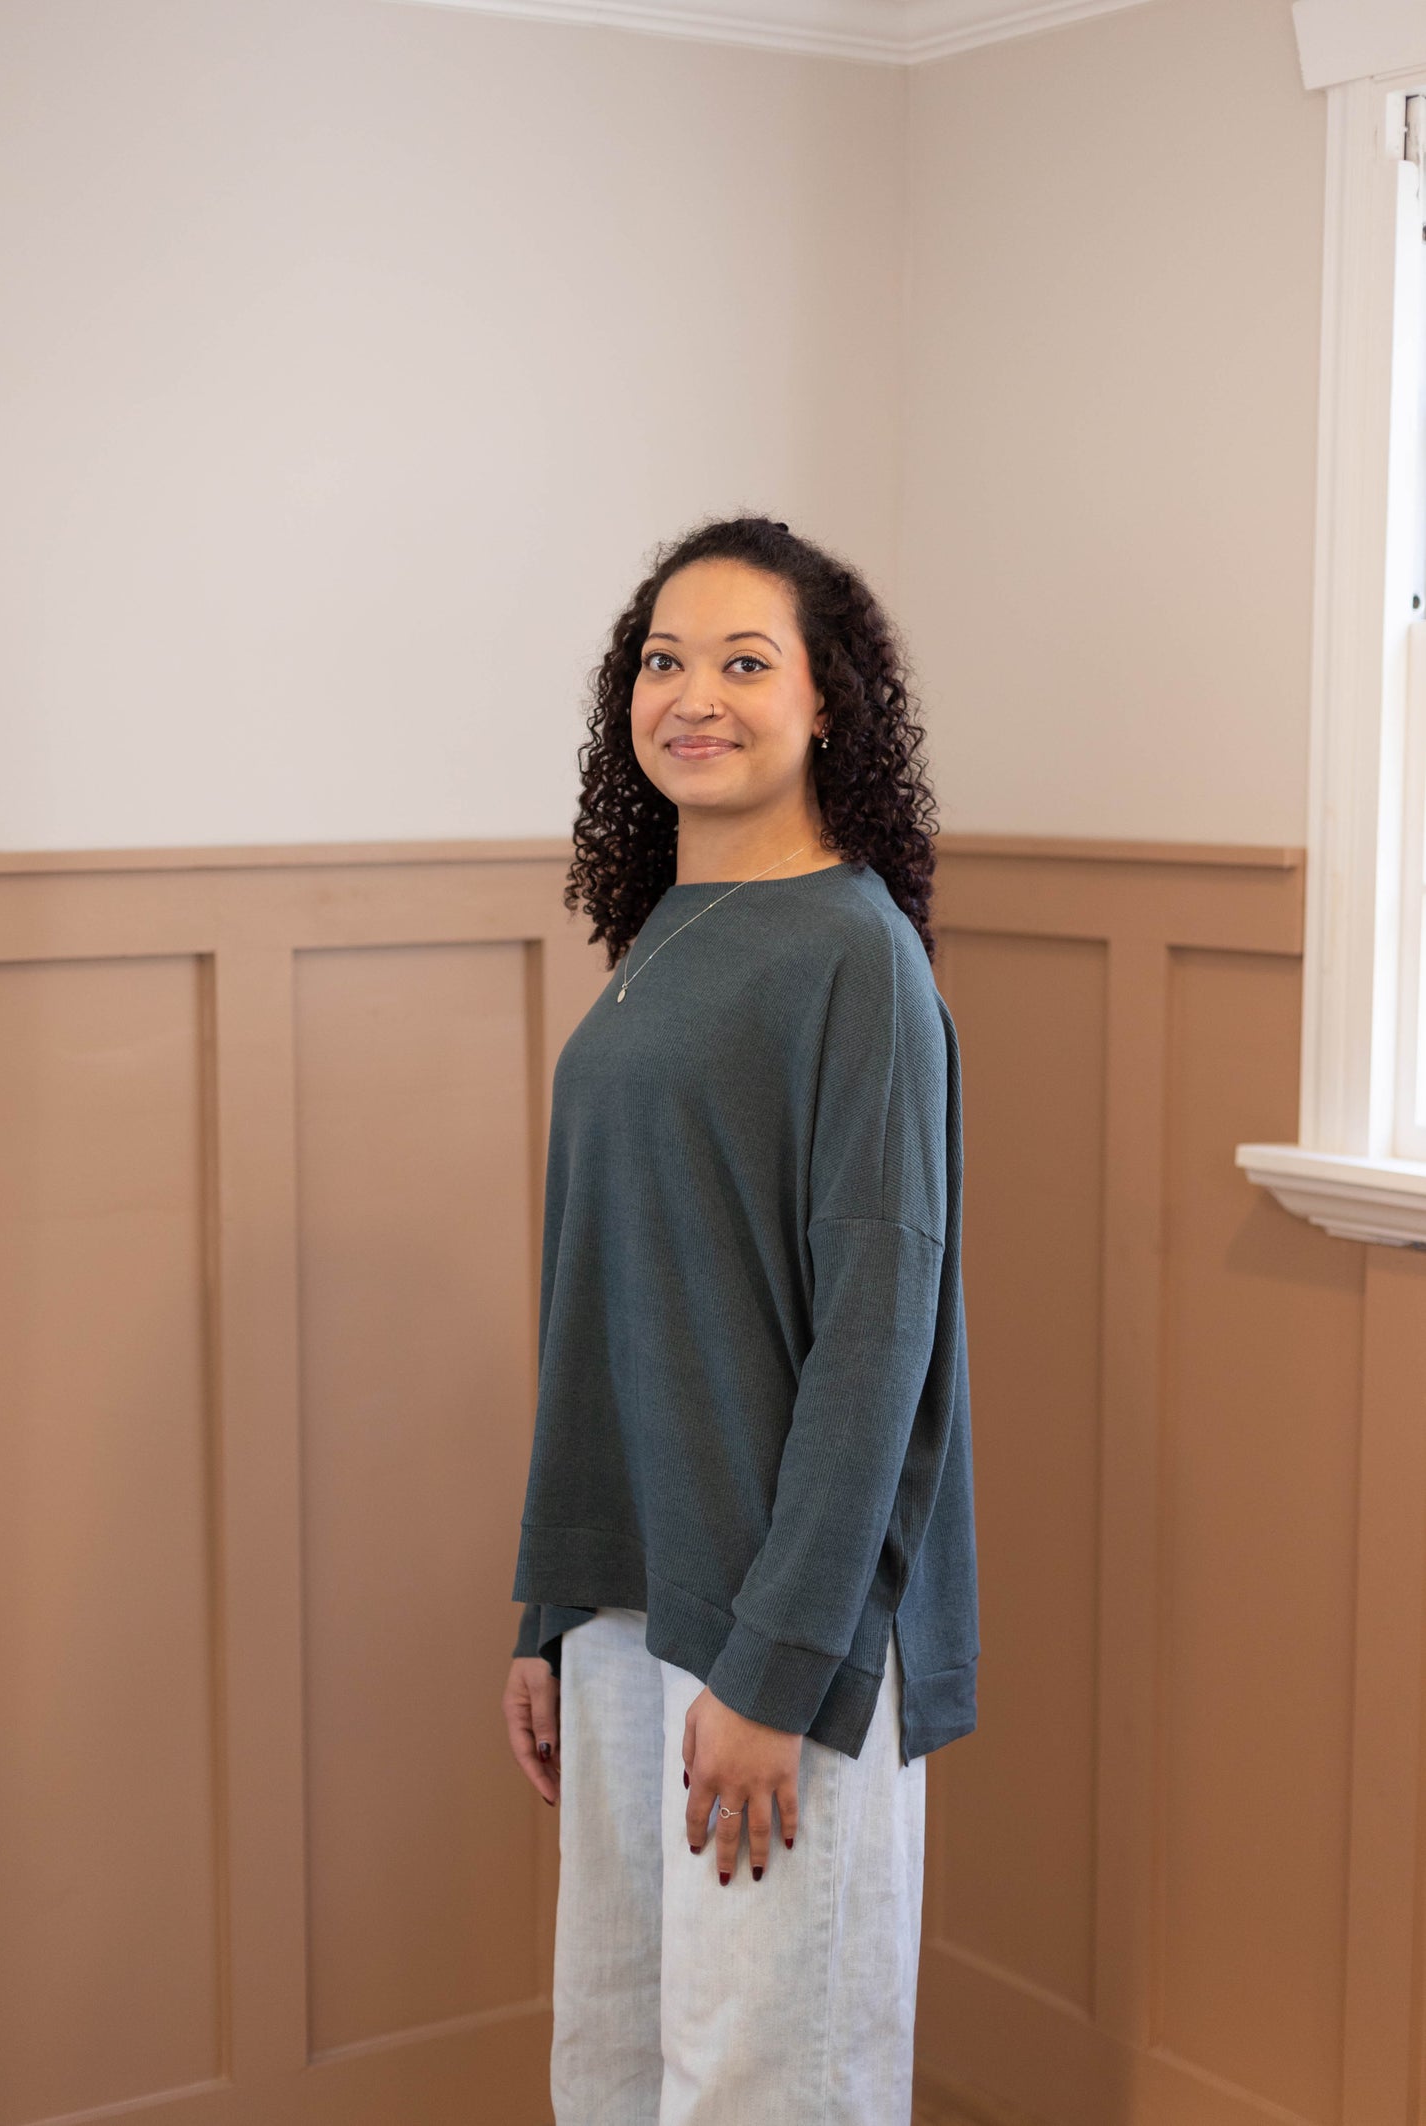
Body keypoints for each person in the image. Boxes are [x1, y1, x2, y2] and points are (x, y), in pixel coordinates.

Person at [500, 512, 978, 2125]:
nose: (691, 695)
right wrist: (549, 1605)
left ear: (827, 702)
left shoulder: (857, 961)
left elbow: (875, 1338)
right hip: (633, 1601)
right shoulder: (665, 941)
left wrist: (776, 1671)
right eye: (661, 660)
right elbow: (605, 1310)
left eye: (744, 661)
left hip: (782, 1625)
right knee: (624, 2056)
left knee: (764, 2082)